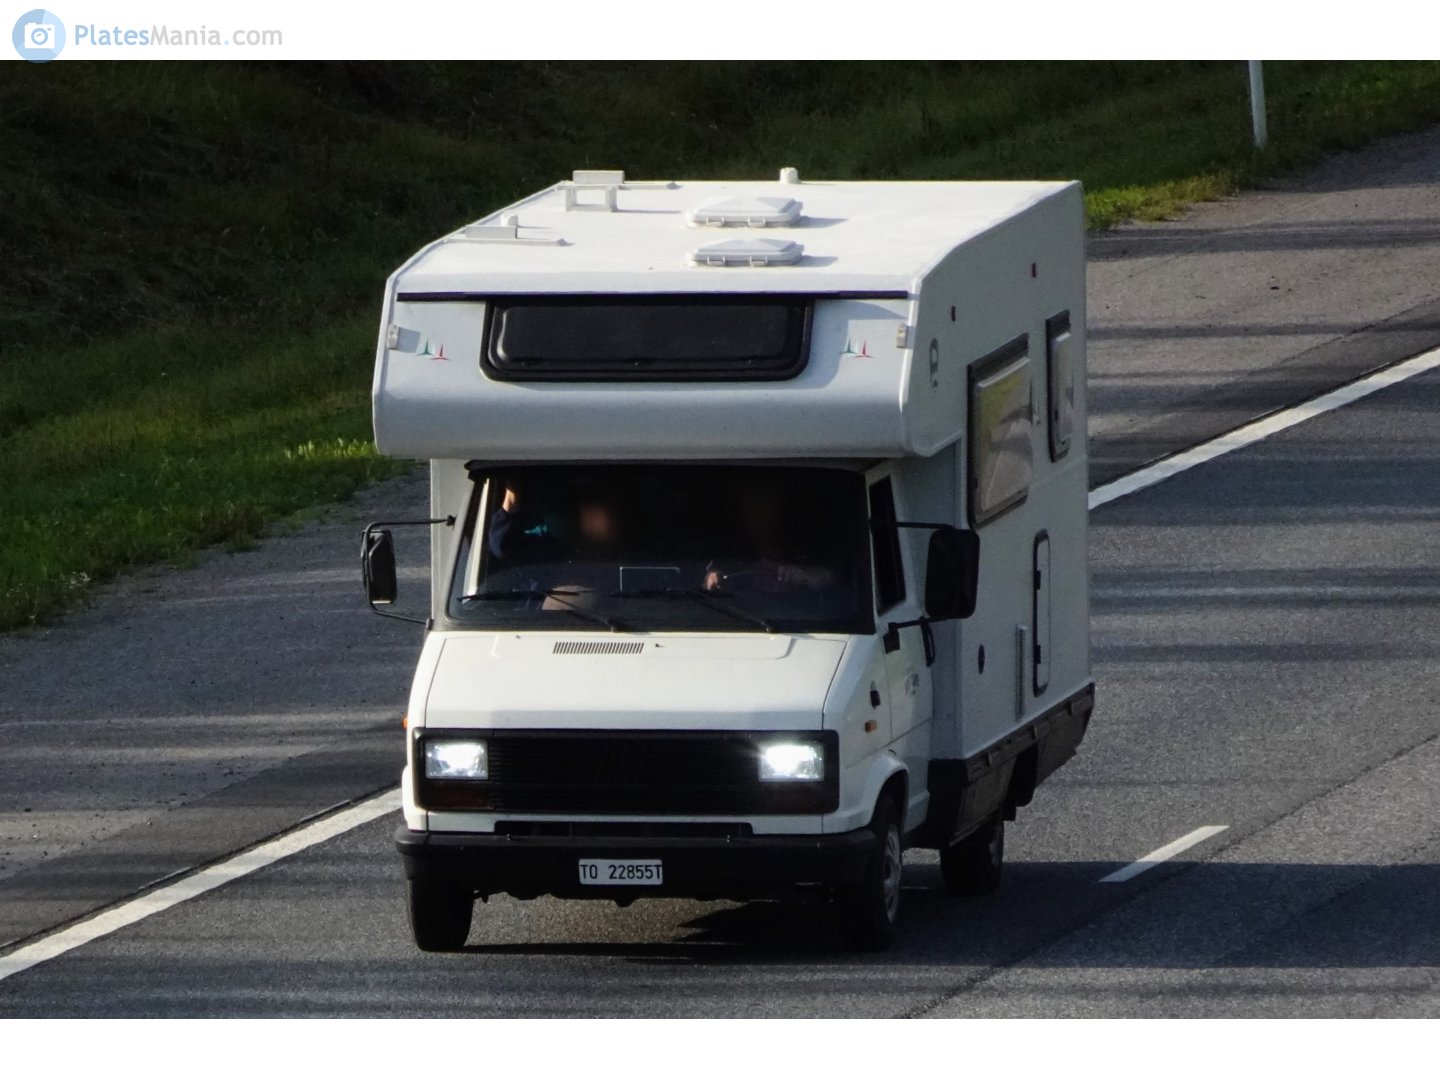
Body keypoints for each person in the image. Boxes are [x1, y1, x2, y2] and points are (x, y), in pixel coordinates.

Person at [702, 482, 834, 594]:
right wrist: (713, 578)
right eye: (753, 506)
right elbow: (703, 579)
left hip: (797, 612)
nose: (759, 513)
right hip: (742, 611)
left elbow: (829, 578)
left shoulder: (805, 541)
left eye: (765, 505)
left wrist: (799, 575)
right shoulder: (730, 544)